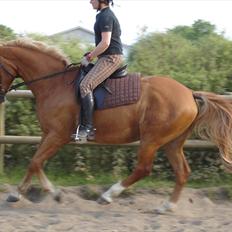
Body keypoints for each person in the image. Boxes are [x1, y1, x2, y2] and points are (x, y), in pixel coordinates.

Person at [75, 0, 123, 141]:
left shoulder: (105, 16)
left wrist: (90, 56)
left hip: (110, 58)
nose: (90, 1)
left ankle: (87, 128)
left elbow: (106, 42)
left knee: (85, 85)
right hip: (105, 56)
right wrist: (91, 54)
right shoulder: (102, 15)